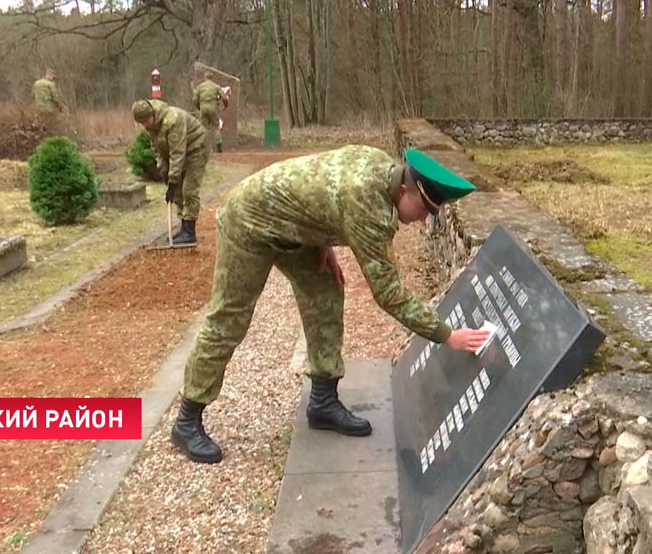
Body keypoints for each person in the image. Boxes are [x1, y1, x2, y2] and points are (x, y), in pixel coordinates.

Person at [170, 145, 493, 463]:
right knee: (229, 319)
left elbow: (322, 187)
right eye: (423, 209)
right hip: (251, 221)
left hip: (295, 228)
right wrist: (447, 334)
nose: (424, 220)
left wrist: (321, 238)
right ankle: (187, 420)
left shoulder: (382, 166)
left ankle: (323, 402)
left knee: (325, 294)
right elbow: (389, 295)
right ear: (405, 188)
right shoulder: (370, 207)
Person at [132, 99, 210, 246]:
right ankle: (183, 227)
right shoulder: (152, 127)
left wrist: (173, 179)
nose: (145, 125)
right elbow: (159, 151)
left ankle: (190, 231)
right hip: (180, 153)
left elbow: (177, 152)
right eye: (141, 123)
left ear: (152, 114)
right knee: (178, 192)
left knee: (189, 190)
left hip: (196, 149)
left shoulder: (173, 120)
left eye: (146, 121)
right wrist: (164, 172)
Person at [193, 69, 229, 152]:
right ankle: (219, 144)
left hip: (203, 107)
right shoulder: (216, 86)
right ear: (212, 78)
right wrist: (225, 106)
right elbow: (224, 97)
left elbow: (194, 100)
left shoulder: (199, 87)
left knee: (203, 127)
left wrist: (199, 107)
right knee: (216, 126)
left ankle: (203, 147)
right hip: (213, 107)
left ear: (205, 77)